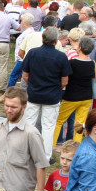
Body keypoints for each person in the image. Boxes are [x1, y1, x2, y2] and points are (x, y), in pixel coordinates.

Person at [20, 27, 72, 158]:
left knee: (29, 123)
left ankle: (26, 150)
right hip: (51, 96)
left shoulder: (32, 53)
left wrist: (33, 83)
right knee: (48, 127)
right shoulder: (61, 56)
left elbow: (25, 75)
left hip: (34, 93)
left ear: (43, 39)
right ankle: (46, 155)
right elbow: (65, 81)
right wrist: (55, 88)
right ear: (56, 41)